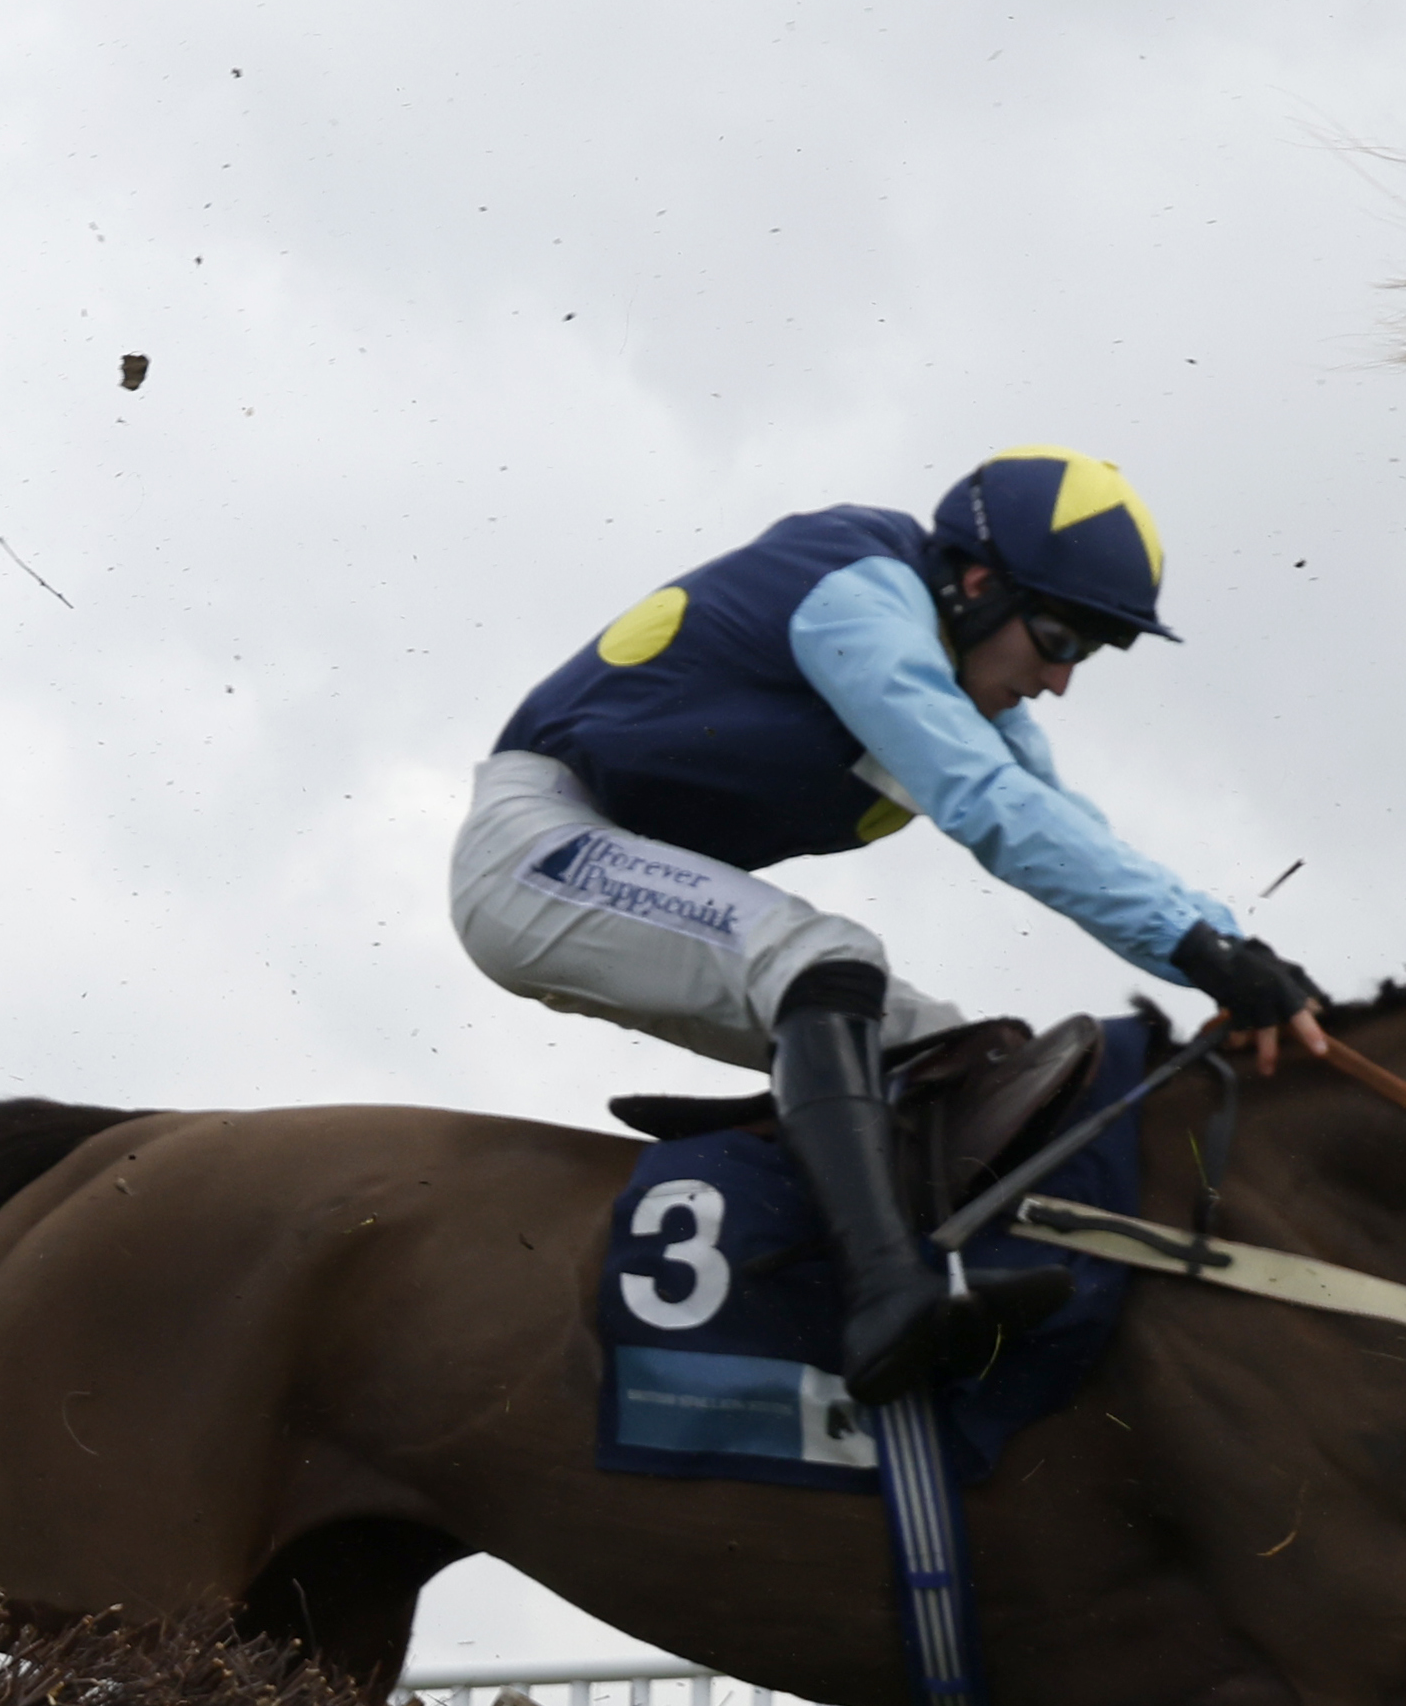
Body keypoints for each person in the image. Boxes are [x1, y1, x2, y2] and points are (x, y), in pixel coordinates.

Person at [462, 450, 1333, 1403]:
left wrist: (1231, 944)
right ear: (973, 585)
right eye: (1055, 638)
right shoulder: (860, 599)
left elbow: (1064, 825)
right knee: (828, 962)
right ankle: (885, 1297)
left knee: (951, 1052)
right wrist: (1198, 954)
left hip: (608, 861)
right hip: (534, 851)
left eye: (1087, 653)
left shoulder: (954, 671)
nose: (1057, 681)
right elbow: (986, 804)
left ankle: (883, 1289)